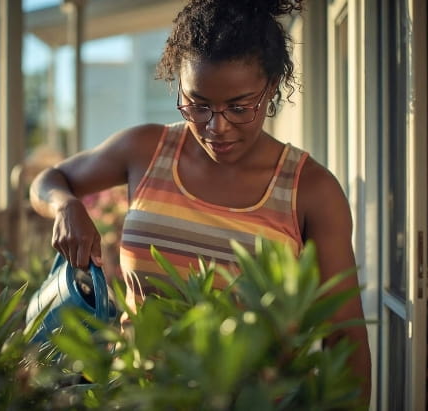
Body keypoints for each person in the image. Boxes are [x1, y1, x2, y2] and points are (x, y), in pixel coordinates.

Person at [29, 0, 371, 403]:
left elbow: (345, 340)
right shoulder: (147, 149)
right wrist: (66, 206)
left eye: (239, 107)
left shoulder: (311, 190)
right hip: (135, 397)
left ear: (272, 87)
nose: (215, 127)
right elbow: (48, 181)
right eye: (198, 104)